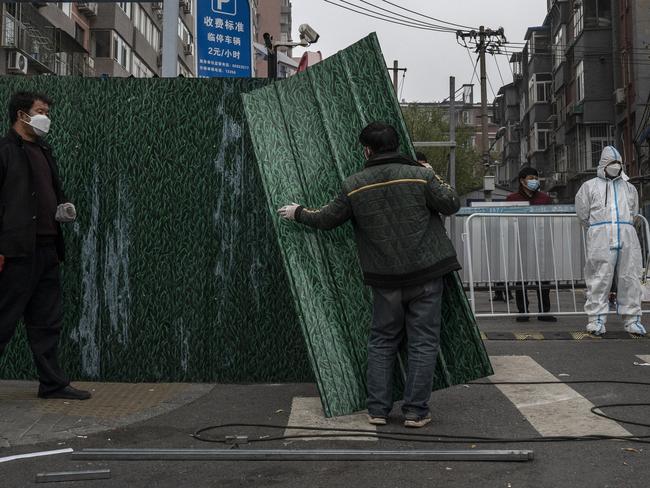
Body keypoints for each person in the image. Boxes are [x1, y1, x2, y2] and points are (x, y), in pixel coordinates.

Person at [278, 122, 461, 428]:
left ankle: (377, 410)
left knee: (382, 341)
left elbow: (326, 219)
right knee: (423, 341)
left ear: (366, 149)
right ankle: (416, 412)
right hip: (426, 273)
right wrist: (429, 169)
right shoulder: (420, 175)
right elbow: (451, 203)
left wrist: (298, 212)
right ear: (396, 145)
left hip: (385, 278)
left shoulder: (355, 184)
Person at [0, 91, 91, 400]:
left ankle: (52, 384)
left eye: (47, 111)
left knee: (46, 321)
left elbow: (46, 191)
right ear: (21, 115)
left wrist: (60, 208)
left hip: (47, 247)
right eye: (40, 111)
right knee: (4, 319)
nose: (45, 117)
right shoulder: (4, 151)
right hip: (15, 252)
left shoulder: (44, 150)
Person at [575, 146, 646, 336]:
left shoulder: (629, 188)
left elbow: (633, 212)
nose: (616, 166)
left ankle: (632, 320)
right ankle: (596, 319)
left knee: (630, 277)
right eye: (612, 163)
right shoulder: (589, 187)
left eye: (618, 163)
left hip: (626, 233)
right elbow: (582, 214)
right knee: (599, 277)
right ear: (603, 165)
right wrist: (596, 229)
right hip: (601, 235)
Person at [506, 167, 557, 322]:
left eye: (536, 177)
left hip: (542, 243)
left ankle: (544, 311)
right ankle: (523, 311)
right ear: (522, 180)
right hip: (521, 244)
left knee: (543, 278)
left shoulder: (545, 199)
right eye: (530, 177)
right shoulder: (512, 199)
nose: (534, 180)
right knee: (521, 279)